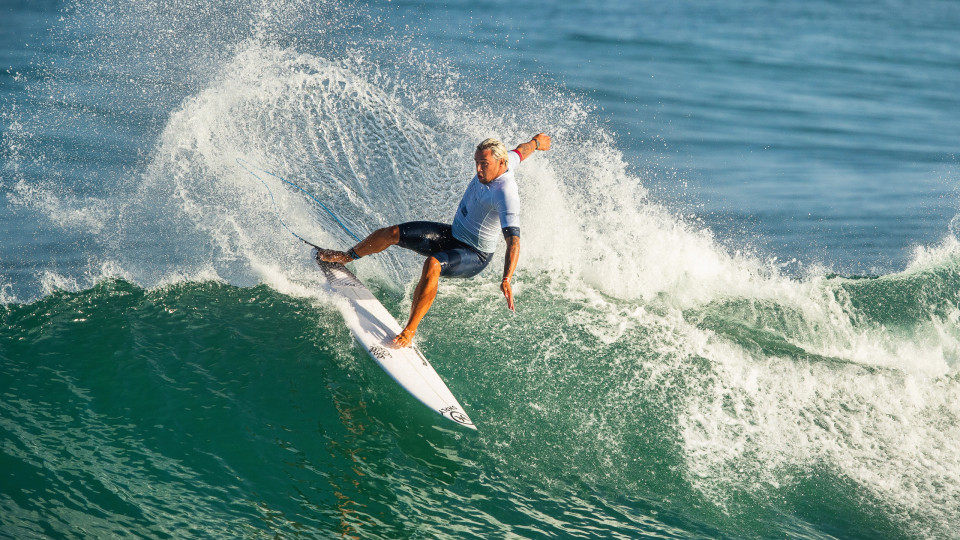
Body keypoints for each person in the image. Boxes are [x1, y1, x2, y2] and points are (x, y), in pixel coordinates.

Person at [316, 133, 552, 347]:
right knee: (392, 233)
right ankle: (347, 256)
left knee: (433, 264)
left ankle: (409, 331)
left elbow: (514, 242)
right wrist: (537, 143)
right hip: (453, 235)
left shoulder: (506, 193)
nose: (479, 170)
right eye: (477, 163)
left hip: (474, 254)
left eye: (484, 165)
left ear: (501, 164)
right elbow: (522, 150)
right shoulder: (505, 158)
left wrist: (507, 277)